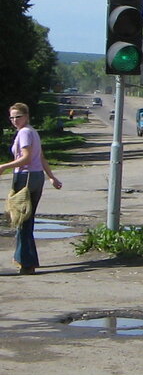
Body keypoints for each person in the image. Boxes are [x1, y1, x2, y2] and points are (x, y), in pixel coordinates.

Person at [2, 102, 63, 275]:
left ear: (26, 116)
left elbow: (27, 158)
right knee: (27, 219)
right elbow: (41, 157)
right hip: (36, 176)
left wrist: (4, 166)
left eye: (18, 116)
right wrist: (51, 177)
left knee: (22, 220)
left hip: (26, 177)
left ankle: (27, 262)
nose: (15, 120)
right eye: (12, 117)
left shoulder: (25, 133)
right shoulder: (32, 132)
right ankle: (26, 259)